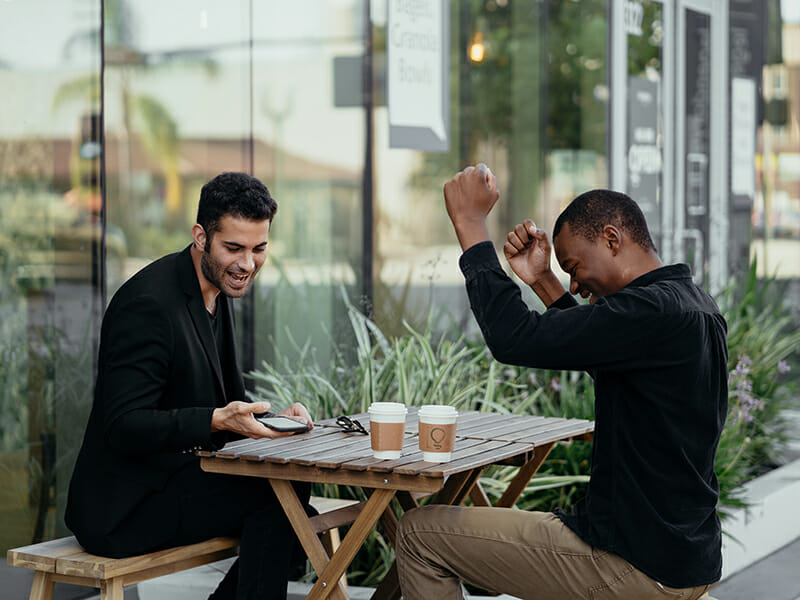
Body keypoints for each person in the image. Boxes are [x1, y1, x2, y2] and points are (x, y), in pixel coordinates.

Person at [395, 164, 727, 600]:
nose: (574, 282)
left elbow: (512, 338)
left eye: (572, 265)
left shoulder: (648, 312)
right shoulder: (694, 306)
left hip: (630, 564)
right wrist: (543, 280)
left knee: (420, 533)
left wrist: (471, 226)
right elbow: (607, 356)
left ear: (612, 238)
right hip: (682, 559)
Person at [66, 171, 314, 600]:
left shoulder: (215, 289)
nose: (247, 264)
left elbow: (208, 398)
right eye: (233, 248)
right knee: (284, 506)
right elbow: (123, 425)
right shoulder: (148, 304)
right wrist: (218, 420)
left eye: (259, 249)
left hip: (175, 479)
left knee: (292, 498)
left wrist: (270, 419)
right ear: (201, 236)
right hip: (126, 506)